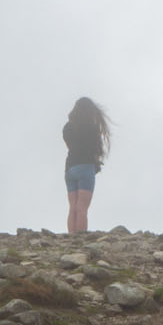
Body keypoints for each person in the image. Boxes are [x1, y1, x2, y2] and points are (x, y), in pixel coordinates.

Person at [62, 97, 109, 235]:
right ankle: (80, 237)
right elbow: (97, 149)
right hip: (85, 167)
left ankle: (72, 235)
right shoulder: (91, 127)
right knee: (82, 207)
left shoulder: (68, 127)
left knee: (73, 207)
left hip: (70, 168)